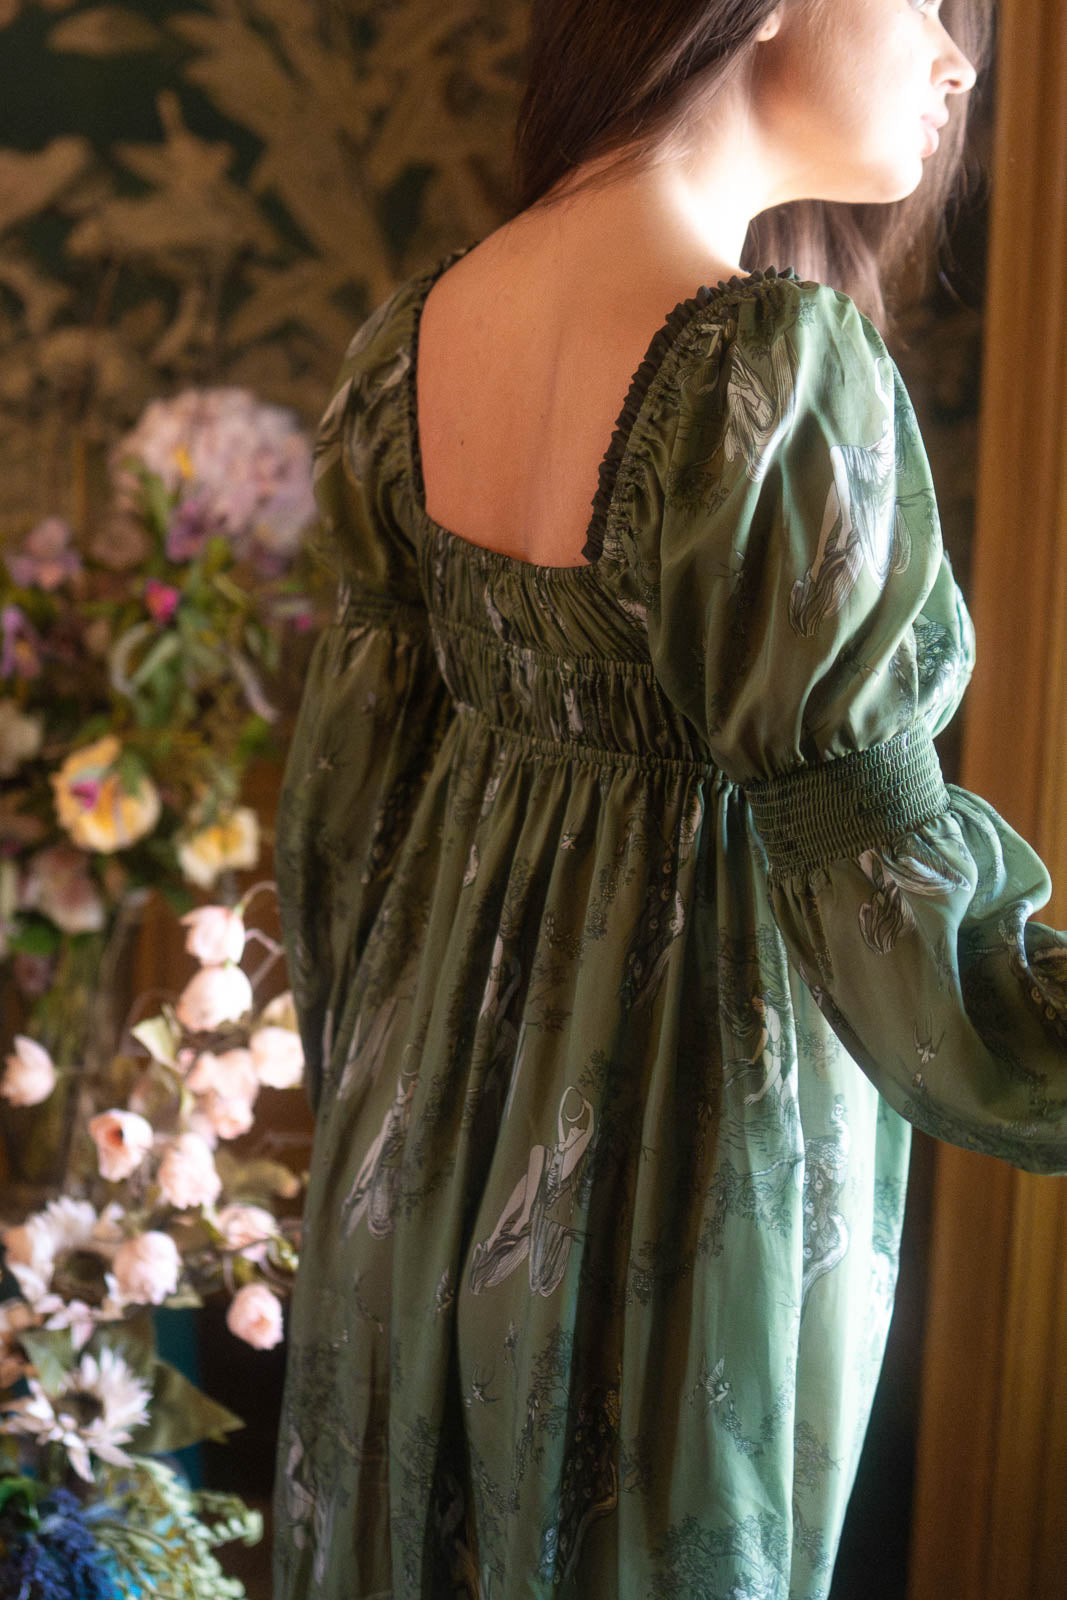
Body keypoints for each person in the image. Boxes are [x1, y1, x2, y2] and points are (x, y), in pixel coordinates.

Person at [270, 2, 1065, 1595]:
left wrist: (383, 1116)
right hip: (666, 1176)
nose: (959, 62)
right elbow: (887, 890)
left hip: (409, 1165)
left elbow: (341, 839)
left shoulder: (414, 338)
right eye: (927, 0)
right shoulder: (773, 368)